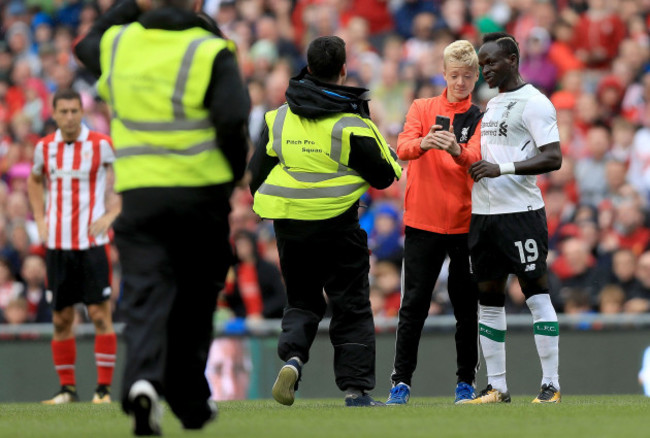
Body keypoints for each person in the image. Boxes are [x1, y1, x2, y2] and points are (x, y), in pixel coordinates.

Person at [74, 0, 250, 434]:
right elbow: (233, 120)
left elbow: (85, 45)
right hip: (200, 197)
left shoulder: (118, 43)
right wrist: (226, 181)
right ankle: (189, 400)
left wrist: (133, 5)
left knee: (145, 295)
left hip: (139, 197)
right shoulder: (210, 48)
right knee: (195, 300)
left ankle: (142, 384)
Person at [249, 35, 401, 408]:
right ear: (344, 70)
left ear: (308, 67)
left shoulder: (277, 118)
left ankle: (293, 359)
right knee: (350, 304)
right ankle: (355, 390)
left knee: (301, 301)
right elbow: (384, 177)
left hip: (289, 226)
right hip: (338, 225)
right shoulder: (352, 124)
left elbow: (256, 176)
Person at [466, 32, 562, 404]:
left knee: (536, 294)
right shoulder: (491, 104)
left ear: (512, 60)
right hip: (483, 216)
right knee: (488, 299)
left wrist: (500, 168)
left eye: (491, 62)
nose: (485, 70)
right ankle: (497, 387)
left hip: (520, 215)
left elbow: (553, 157)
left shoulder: (535, 102)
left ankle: (551, 384)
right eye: (482, 64)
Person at [386, 40, 482, 405]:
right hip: (423, 223)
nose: (460, 82)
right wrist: (426, 142)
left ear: (476, 77)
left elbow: (477, 158)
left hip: (463, 224)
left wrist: (457, 150)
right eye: (454, 75)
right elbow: (403, 146)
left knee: (465, 308)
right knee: (413, 306)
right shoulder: (422, 108)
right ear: (443, 74)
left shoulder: (479, 117)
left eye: (467, 76)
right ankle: (401, 381)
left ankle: (465, 382)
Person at [27, 88, 121, 404]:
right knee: (60, 318)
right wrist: (39, 219)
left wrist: (112, 213)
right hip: (57, 245)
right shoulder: (44, 148)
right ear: (53, 114)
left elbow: (123, 180)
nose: (69, 117)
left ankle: (103, 391)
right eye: (63, 111)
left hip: (92, 243)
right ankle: (67, 389)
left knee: (98, 314)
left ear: (82, 112)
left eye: (74, 111)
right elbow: (35, 180)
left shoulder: (101, 145)